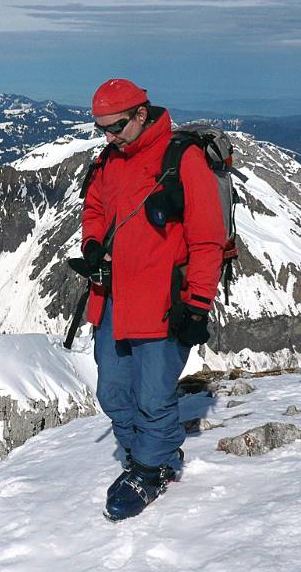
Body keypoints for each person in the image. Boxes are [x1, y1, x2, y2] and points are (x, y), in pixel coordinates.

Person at [81, 78, 225, 521]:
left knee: (154, 396)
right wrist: (91, 245)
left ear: (141, 114)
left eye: (115, 126)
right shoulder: (110, 161)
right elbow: (96, 209)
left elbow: (207, 240)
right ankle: (141, 454)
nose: (108, 136)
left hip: (164, 303)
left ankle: (152, 468)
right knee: (112, 391)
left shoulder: (184, 161)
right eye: (101, 128)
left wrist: (198, 304)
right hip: (115, 300)